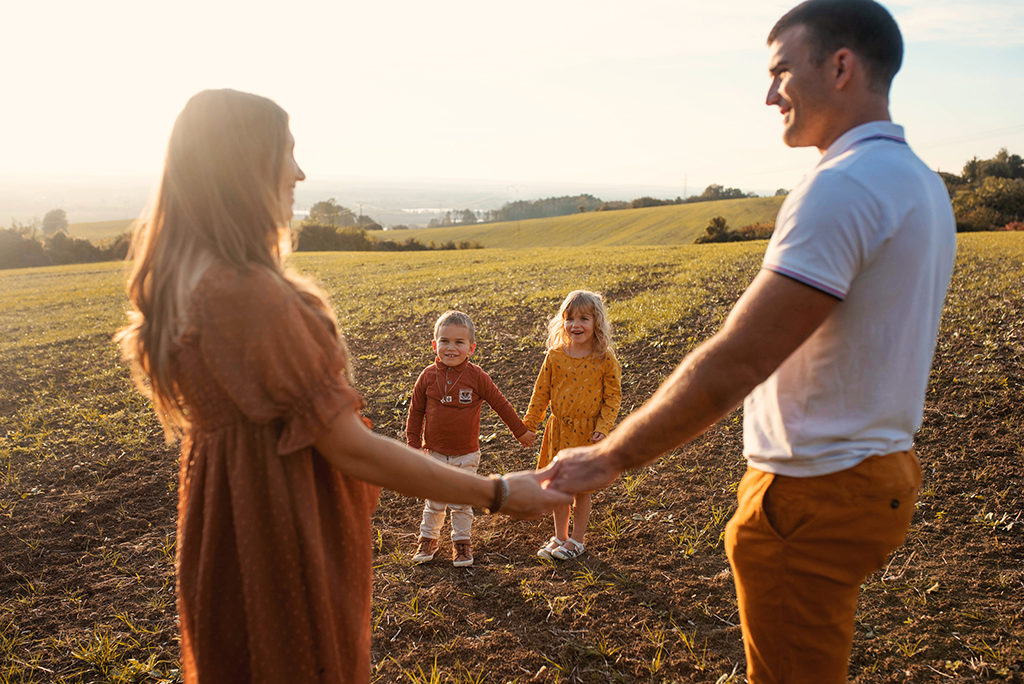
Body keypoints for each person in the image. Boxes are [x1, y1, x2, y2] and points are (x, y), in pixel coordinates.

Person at [543, 1, 955, 681]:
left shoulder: (843, 187)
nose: (770, 95)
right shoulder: (918, 181)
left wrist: (609, 457)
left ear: (842, 66)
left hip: (813, 489)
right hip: (876, 473)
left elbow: (738, 357)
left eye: (782, 72)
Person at [116, 89, 571, 684]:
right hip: (283, 525)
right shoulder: (248, 295)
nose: (299, 172)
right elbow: (348, 446)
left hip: (226, 524)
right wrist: (497, 494)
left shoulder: (185, 285)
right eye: (287, 152)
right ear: (243, 166)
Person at [406, 310, 536, 567]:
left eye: (459, 342)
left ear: (471, 348)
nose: (450, 348)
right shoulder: (428, 377)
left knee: (461, 502)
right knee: (434, 500)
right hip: (434, 452)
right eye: (444, 341)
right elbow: (415, 411)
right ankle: (428, 539)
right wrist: (412, 445)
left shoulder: (477, 377)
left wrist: (520, 431)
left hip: (466, 453)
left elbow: (500, 403)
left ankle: (462, 543)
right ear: (434, 345)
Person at [523, 290, 621, 561]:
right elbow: (540, 392)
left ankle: (577, 540)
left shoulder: (604, 359)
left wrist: (604, 426)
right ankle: (560, 536)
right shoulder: (555, 356)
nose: (576, 325)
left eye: (584, 318)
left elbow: (613, 396)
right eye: (570, 318)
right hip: (559, 430)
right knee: (559, 487)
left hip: (588, 434)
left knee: (581, 489)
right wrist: (530, 424)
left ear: (596, 323)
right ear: (562, 322)